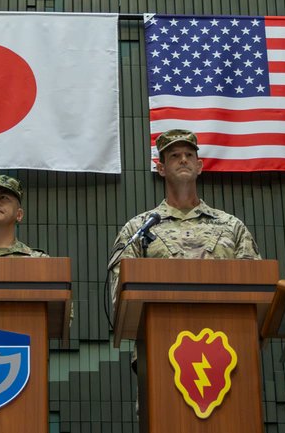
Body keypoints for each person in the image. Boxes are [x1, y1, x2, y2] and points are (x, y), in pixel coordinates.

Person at [109, 128, 260, 307]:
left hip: (222, 329)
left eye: (189, 154)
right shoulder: (138, 229)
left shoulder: (231, 226)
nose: (183, 160)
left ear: (199, 166)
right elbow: (121, 295)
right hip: (161, 328)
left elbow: (255, 285)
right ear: (161, 169)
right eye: (174, 155)